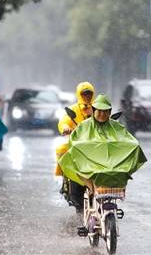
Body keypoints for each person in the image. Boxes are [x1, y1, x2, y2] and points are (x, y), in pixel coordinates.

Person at [59, 94, 147, 192]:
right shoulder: (84, 125)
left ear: (109, 113)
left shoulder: (116, 126)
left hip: (113, 163)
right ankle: (91, 188)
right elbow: (74, 141)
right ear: (94, 110)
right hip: (90, 163)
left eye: (105, 111)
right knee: (71, 159)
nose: (102, 114)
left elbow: (128, 139)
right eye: (99, 111)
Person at [55, 81, 95, 212]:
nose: (87, 96)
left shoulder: (98, 107)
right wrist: (66, 128)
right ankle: (66, 178)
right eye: (84, 94)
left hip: (95, 143)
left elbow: (107, 120)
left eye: (89, 93)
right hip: (77, 143)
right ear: (79, 94)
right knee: (62, 150)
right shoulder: (73, 109)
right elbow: (64, 121)